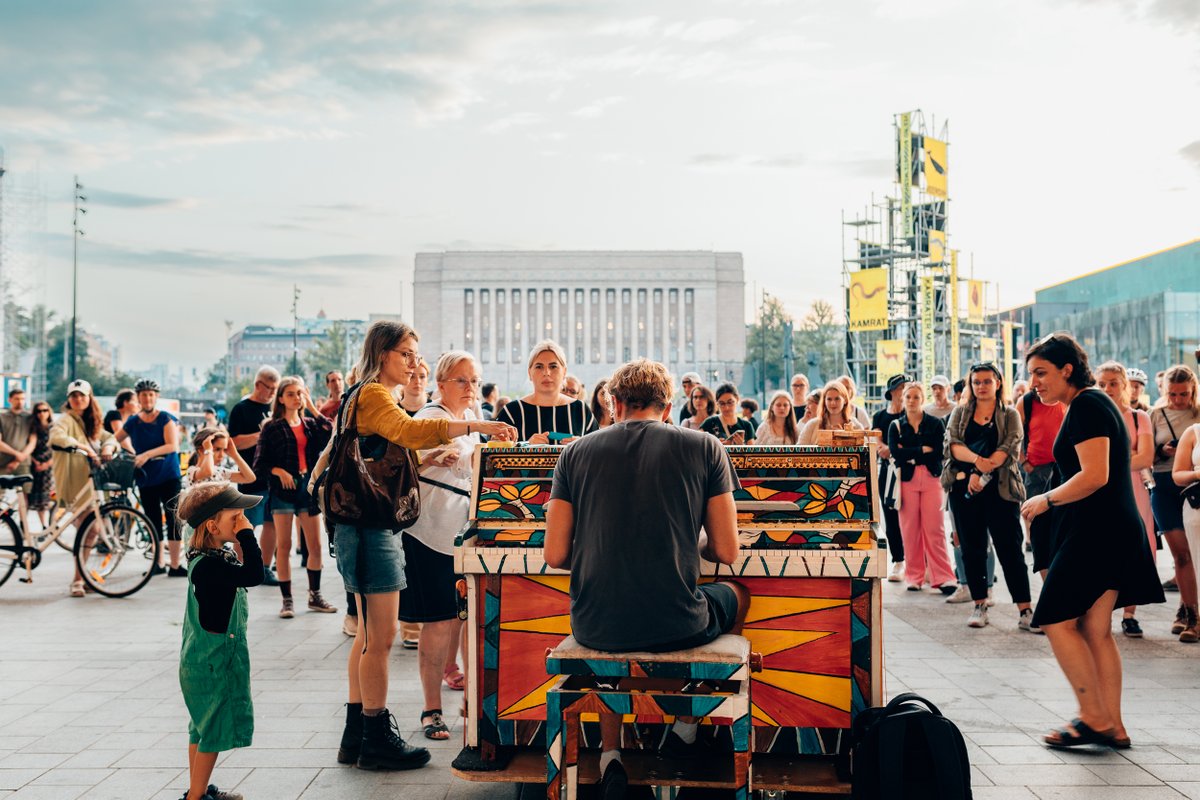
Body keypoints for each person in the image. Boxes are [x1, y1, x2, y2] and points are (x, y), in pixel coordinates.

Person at [544, 358, 750, 795]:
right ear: (669, 405)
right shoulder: (706, 448)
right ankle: (685, 729)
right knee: (735, 595)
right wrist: (688, 547)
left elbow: (556, 554)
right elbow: (727, 552)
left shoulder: (574, 453)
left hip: (593, 625)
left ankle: (610, 756)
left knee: (614, 630)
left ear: (614, 404)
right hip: (677, 625)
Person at [332, 321, 516, 772]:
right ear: (383, 354)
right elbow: (413, 434)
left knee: (370, 638)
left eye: (416, 355)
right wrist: (477, 423)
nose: (415, 363)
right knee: (381, 636)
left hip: (360, 525)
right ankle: (374, 735)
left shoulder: (366, 396)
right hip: (372, 527)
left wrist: (432, 454)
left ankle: (356, 733)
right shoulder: (374, 394)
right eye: (407, 354)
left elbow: (400, 451)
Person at [1020, 333, 1163, 749]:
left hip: (1099, 533)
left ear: (1067, 369)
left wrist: (1045, 499)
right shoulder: (1091, 403)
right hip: (1111, 529)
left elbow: (1095, 475)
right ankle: (1112, 726)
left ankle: (1094, 716)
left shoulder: (1086, 404)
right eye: (1032, 375)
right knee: (1095, 628)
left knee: (1054, 619)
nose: (1036, 383)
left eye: (1042, 373)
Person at [401, 351, 482, 741]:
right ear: (442, 383)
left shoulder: (469, 424)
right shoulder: (431, 418)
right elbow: (403, 462)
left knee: (462, 620)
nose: (470, 388)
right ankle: (431, 709)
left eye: (475, 381)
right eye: (463, 380)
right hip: (428, 535)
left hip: (458, 537)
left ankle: (471, 700)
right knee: (436, 624)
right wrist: (432, 455)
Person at [176, 481, 264, 800]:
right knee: (211, 732)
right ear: (213, 526)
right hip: (212, 663)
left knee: (200, 728)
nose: (243, 521)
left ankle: (199, 790)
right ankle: (195, 798)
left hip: (202, 661)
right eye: (236, 517)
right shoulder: (210, 567)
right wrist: (247, 535)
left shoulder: (212, 558)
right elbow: (255, 574)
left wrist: (238, 533)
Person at [942, 362, 1034, 631]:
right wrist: (976, 464)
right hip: (965, 491)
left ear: (998, 383)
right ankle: (979, 604)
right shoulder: (960, 412)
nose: (981, 386)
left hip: (1001, 490)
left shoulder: (1010, 414)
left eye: (987, 381)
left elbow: (1010, 446)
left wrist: (984, 467)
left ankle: (1025, 609)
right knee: (972, 549)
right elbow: (952, 445)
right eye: (976, 382)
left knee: (1010, 550)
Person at [254, 377, 335, 618]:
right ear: (281, 398)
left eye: (299, 393)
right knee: (285, 544)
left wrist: (311, 406)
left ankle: (315, 595)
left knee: (316, 545)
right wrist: (278, 471)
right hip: (282, 491)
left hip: (307, 489)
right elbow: (259, 464)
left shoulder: (310, 425)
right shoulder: (272, 427)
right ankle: (287, 600)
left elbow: (331, 432)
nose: (296, 397)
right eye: (290, 393)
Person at [1097, 362, 1156, 638]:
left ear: (1125, 385)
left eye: (1113, 383)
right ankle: (1101, 613)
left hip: (1134, 489)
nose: (1107, 389)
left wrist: (1105, 463)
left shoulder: (1138, 418)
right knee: (1104, 547)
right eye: (1102, 384)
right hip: (1100, 490)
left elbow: (1146, 457)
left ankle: (1130, 614)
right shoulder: (1094, 416)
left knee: (1135, 545)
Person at [50, 379, 118, 597]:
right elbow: (57, 436)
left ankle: (81, 577)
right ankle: (78, 580)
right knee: (90, 531)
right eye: (74, 396)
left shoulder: (93, 422)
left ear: (89, 398)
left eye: (82, 395)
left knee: (89, 532)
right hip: (75, 483)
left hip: (90, 483)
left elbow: (109, 437)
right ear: (69, 400)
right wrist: (83, 448)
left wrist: (108, 445)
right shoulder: (66, 420)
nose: (78, 399)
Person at [889, 383, 957, 594]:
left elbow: (938, 452)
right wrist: (920, 450)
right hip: (907, 481)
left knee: (935, 529)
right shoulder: (896, 426)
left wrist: (909, 452)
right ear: (903, 399)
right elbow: (895, 453)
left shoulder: (935, 424)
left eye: (916, 397)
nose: (911, 401)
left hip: (931, 479)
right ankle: (914, 576)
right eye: (908, 397)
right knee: (910, 530)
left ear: (922, 399)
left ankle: (943, 577)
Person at [1150, 365, 1200, 640]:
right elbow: (1144, 455)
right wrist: (1162, 450)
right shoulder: (1155, 414)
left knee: (1195, 551)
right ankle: (1189, 609)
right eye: (1172, 394)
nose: (1177, 400)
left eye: (1183, 394)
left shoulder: (1197, 415)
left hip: (1193, 487)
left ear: (1192, 390)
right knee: (1180, 553)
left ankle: (1189, 607)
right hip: (1164, 484)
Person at [115, 379, 184, 575]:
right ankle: (158, 563)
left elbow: (172, 446)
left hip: (169, 475)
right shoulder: (133, 421)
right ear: (138, 397)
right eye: (144, 394)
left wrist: (145, 455)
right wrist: (106, 448)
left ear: (156, 397)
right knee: (152, 519)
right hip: (146, 478)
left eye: (151, 394)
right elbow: (115, 439)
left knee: (173, 518)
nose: (147, 398)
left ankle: (175, 565)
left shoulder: (165, 418)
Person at [227, 366, 281, 586]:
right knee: (245, 524)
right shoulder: (241, 409)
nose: (271, 394)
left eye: (275, 389)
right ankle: (239, 566)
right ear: (258, 385)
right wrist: (263, 433)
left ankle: (265, 568)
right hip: (251, 477)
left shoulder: (276, 408)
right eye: (269, 388)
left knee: (273, 524)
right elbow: (235, 442)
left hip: (275, 478)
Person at [496, 341, 596, 443]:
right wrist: (525, 446)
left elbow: (599, 451)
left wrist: (582, 446)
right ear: (530, 373)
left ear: (564, 372)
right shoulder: (512, 412)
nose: (546, 373)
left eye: (553, 366)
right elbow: (492, 453)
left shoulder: (581, 410)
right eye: (539, 367)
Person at [1016, 380, 1066, 583]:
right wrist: (1024, 462)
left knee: (1060, 521)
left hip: (1063, 468)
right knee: (1036, 519)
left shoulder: (1067, 399)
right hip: (1036, 468)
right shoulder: (1027, 401)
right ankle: (1049, 581)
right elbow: (1015, 435)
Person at [873, 374, 909, 583]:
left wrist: (894, 449)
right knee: (891, 516)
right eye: (901, 388)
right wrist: (888, 448)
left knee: (912, 516)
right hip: (888, 471)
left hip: (909, 470)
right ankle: (898, 560)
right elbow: (878, 443)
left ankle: (916, 561)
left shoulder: (912, 414)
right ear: (892, 392)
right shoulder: (880, 417)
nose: (904, 392)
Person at [0, 386, 36, 531]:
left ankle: (23, 525)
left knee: (24, 494)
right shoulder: (2, 417)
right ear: (9, 400)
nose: (20, 402)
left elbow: (33, 441)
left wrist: (20, 458)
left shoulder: (30, 418)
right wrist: (15, 454)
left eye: (22, 399)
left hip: (23, 462)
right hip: (3, 461)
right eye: (16, 399)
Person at [799, 381, 863, 445]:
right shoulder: (812, 425)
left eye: (837, 399)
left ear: (845, 400)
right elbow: (798, 451)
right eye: (829, 399)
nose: (833, 403)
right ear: (824, 401)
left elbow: (865, 451)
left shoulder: (856, 426)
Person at [188, 428, 256, 486]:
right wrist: (208, 449)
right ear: (201, 450)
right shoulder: (192, 471)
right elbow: (208, 472)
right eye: (217, 449)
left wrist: (235, 455)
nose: (222, 455)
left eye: (224, 450)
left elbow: (250, 478)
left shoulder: (220, 472)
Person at [27, 401, 55, 528]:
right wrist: (36, 462)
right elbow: (29, 447)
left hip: (51, 465)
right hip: (35, 465)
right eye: (39, 411)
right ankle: (44, 524)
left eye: (44, 410)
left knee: (50, 497)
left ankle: (50, 523)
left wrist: (48, 463)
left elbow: (57, 449)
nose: (42, 413)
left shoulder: (54, 427)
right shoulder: (33, 428)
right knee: (37, 497)